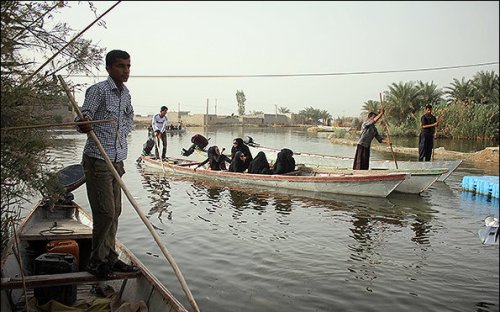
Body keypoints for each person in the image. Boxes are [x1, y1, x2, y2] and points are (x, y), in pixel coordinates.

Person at [75, 49, 138, 278]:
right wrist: (85, 124)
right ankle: (97, 261)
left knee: (116, 211)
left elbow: (129, 116)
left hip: (117, 160)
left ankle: (110, 257)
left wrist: (125, 131)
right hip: (98, 159)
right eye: (121, 66)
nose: (126, 70)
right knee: (105, 213)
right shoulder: (98, 90)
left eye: (128, 66)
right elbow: (83, 117)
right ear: (109, 68)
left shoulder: (126, 94)